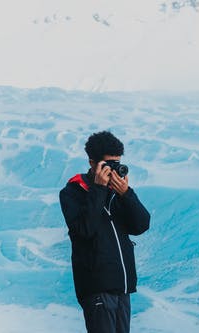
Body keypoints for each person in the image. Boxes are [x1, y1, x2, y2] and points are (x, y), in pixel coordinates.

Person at [59, 131, 150, 333]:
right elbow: (84, 230)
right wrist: (99, 190)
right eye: (109, 165)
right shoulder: (72, 193)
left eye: (118, 163)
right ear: (93, 163)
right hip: (96, 286)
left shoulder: (117, 193)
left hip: (122, 286)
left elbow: (141, 225)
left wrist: (126, 194)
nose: (115, 170)